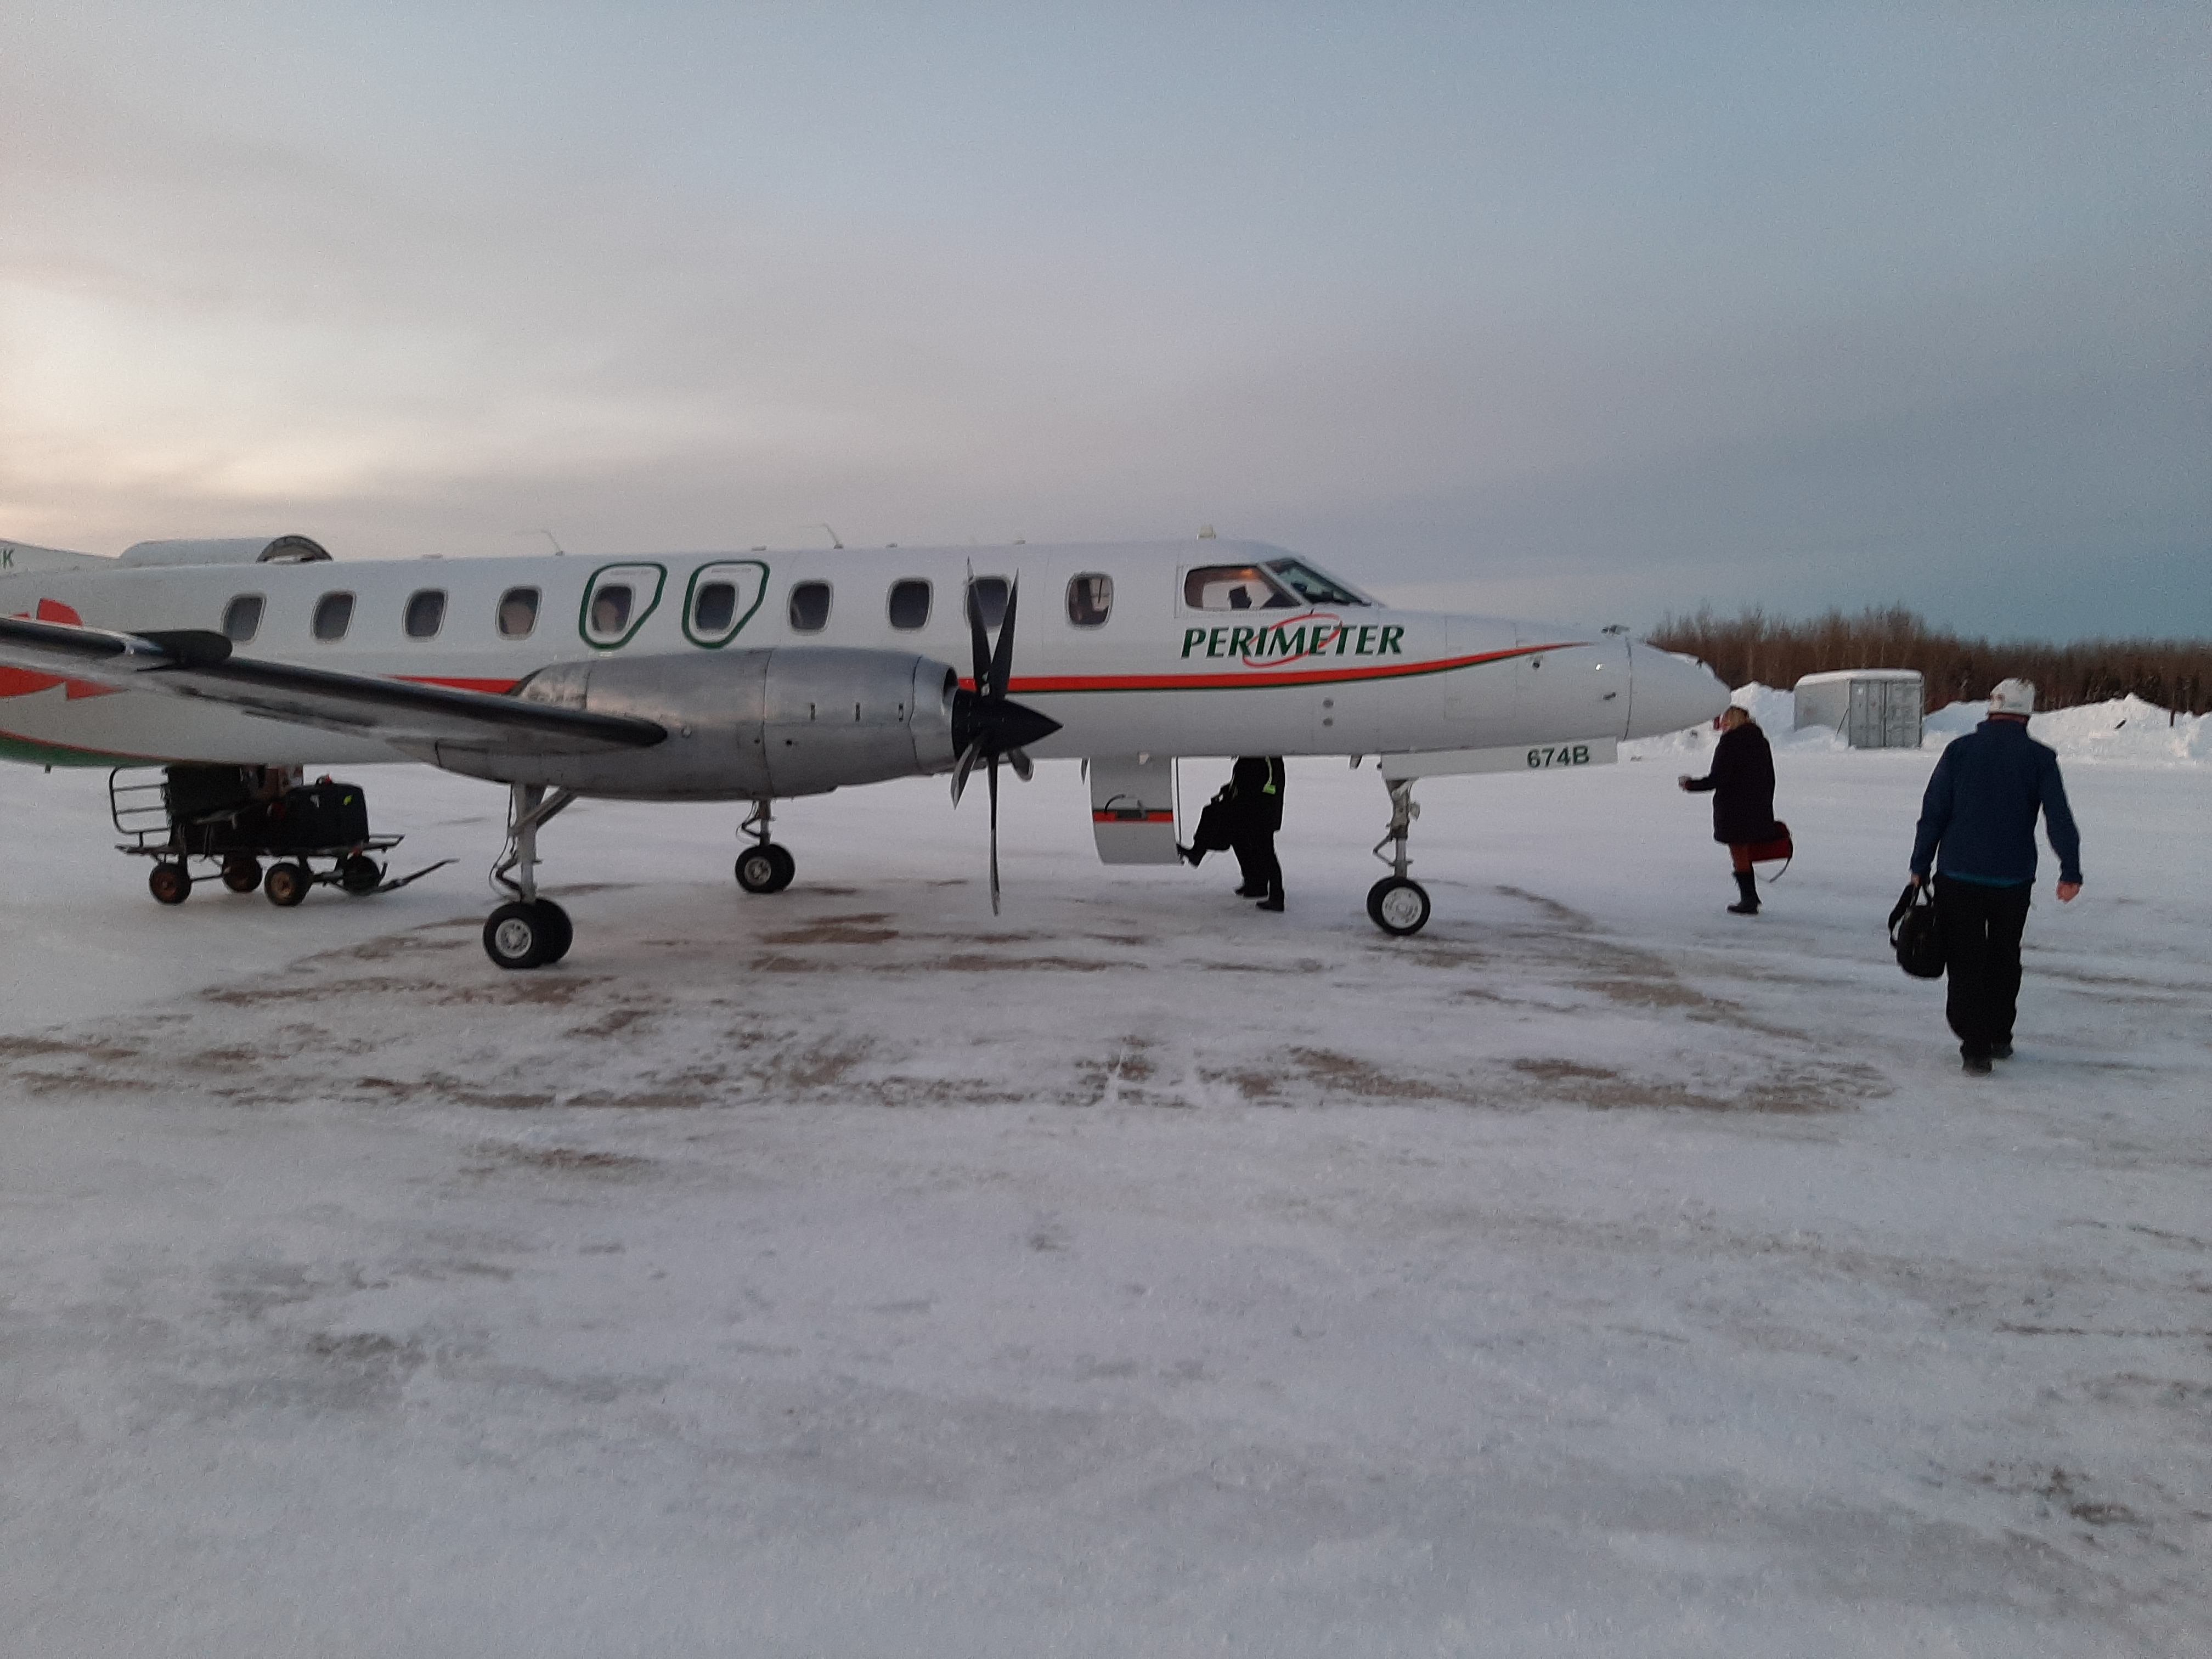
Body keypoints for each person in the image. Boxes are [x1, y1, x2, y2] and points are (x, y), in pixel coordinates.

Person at [1909, 678, 2082, 1075]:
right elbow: (2058, 816)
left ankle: (1975, 1048)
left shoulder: (1959, 751)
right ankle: (2000, 1035)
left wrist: (1920, 865)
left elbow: (1933, 812)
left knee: (1965, 959)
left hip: (1958, 874)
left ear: (1991, 709)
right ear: (2027, 713)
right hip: (2013, 879)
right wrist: (2070, 870)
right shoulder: (2039, 758)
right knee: (2005, 956)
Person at [1678, 704, 1780, 915]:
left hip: (1735, 807)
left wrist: (1690, 785)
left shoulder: (1730, 743)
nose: (1722, 724)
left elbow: (1719, 778)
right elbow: (1769, 776)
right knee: (1744, 849)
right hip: (1758, 804)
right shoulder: (1760, 742)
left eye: (1725, 719)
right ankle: (1750, 897)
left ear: (1732, 721)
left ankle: (1749, 900)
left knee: (1738, 851)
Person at [1178, 755, 1286, 911]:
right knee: (1240, 839)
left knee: (1265, 852)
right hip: (1253, 809)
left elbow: (1260, 784)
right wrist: (1228, 790)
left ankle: (1276, 897)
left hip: (1261, 812)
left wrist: (1235, 798)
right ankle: (1255, 884)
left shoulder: (1264, 756)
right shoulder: (1252, 756)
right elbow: (1244, 781)